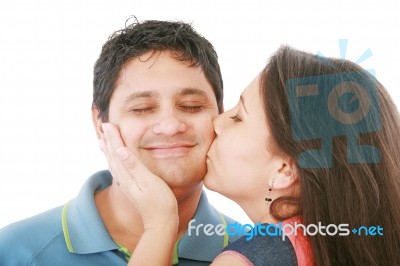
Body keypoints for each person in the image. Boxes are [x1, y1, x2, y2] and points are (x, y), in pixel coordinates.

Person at [101, 45, 400, 265]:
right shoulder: (329, 245)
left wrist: (159, 225)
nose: (217, 121)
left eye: (238, 117)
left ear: (284, 169)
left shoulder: (245, 260)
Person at [0, 19, 241, 265]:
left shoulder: (255, 253)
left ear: (220, 114)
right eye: (142, 108)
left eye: (192, 106)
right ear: (99, 123)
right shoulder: (15, 251)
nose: (170, 126)